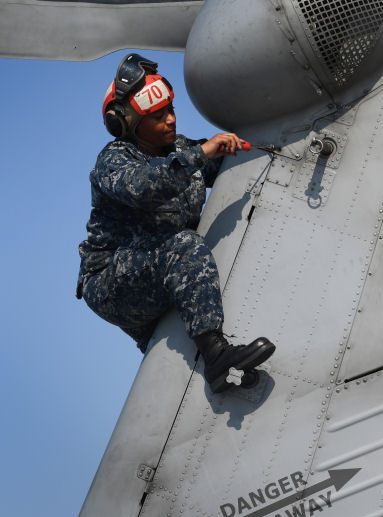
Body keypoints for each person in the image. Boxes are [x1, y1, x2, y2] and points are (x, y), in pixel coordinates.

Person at [76, 54, 275, 393]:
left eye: (171, 110)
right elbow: (145, 187)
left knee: (170, 357)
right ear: (128, 125)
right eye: (158, 116)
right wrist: (203, 152)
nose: (170, 120)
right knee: (184, 246)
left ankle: (217, 373)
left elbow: (222, 165)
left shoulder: (180, 149)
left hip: (153, 268)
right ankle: (217, 358)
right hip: (112, 282)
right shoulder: (114, 160)